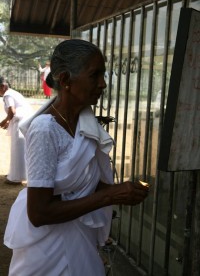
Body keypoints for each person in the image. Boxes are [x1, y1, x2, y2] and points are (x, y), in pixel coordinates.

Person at [4, 39, 149, 276]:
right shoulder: (45, 130)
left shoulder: (84, 121)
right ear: (65, 80)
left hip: (78, 238)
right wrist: (110, 195)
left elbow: (85, 181)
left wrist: (123, 190)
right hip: (48, 251)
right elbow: (39, 213)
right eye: (95, 75)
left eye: (103, 75)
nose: (103, 84)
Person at [0, 77, 33, 184]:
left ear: (3, 86)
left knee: (18, 149)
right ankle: (16, 173)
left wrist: (5, 121)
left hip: (20, 122)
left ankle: (16, 177)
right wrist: (8, 121)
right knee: (22, 149)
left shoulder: (8, 95)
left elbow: (12, 111)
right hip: (24, 121)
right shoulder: (13, 93)